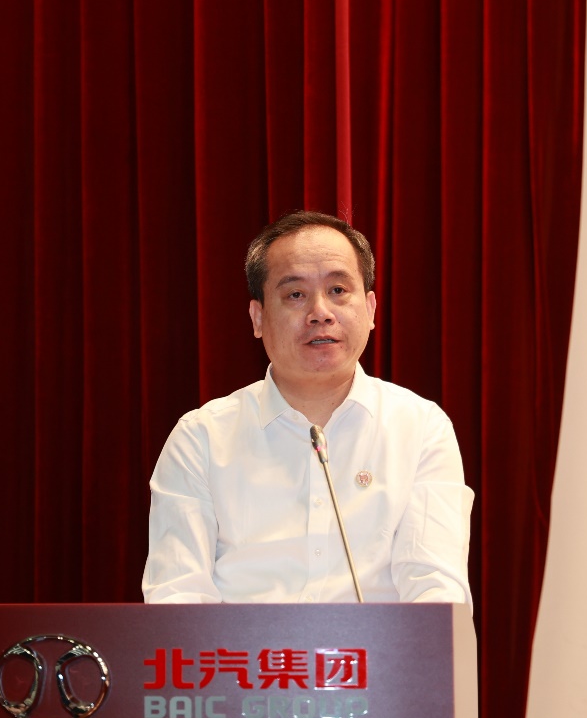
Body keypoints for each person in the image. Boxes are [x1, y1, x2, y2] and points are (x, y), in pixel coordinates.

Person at [142, 211, 473, 605]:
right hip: (241, 647)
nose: (321, 312)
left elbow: (436, 590)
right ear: (258, 318)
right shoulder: (201, 438)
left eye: (338, 290)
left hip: (378, 646)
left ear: (370, 310)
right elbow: (177, 597)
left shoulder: (420, 428)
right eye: (295, 295)